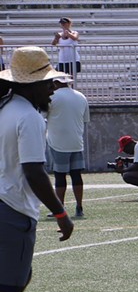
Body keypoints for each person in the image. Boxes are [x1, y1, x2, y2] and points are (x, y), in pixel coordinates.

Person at [0, 47, 76, 292]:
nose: (52, 89)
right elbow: (33, 171)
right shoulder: (29, 116)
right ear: (29, 85)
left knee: (17, 281)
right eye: (47, 83)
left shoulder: (5, 109)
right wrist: (60, 212)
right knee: (8, 290)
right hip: (12, 210)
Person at [45, 74, 90, 218]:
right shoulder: (81, 96)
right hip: (76, 142)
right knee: (76, 175)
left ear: (56, 83)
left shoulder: (52, 97)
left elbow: (42, 115)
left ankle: (59, 207)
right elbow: (85, 119)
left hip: (58, 142)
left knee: (59, 176)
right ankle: (79, 206)